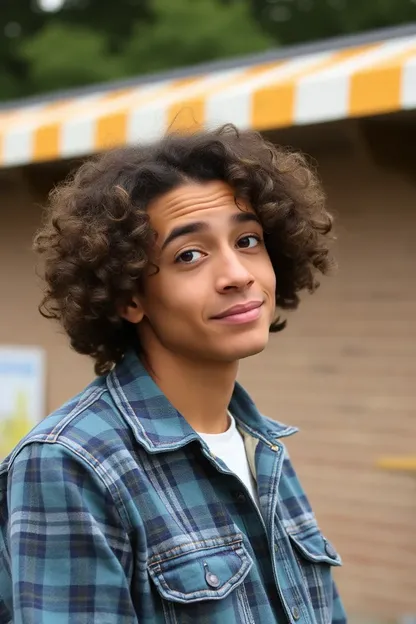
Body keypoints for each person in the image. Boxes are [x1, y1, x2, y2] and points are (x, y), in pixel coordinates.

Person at [0, 125, 346, 624]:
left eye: (248, 240)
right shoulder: (71, 464)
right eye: (190, 255)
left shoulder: (265, 448)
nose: (237, 274)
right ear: (129, 297)